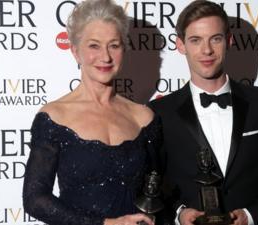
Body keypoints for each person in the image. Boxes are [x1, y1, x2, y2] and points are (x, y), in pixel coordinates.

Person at [149, 1, 258, 225]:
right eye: (195, 40)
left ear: (229, 41)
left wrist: (251, 215)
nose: (207, 50)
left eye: (216, 38)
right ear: (181, 45)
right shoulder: (160, 112)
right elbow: (148, 185)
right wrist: (179, 213)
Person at [22, 0, 161, 225]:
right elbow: (35, 200)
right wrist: (105, 224)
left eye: (114, 45)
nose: (105, 57)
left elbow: (157, 191)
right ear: (76, 51)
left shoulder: (144, 118)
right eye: (94, 46)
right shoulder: (54, 117)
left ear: (123, 50)